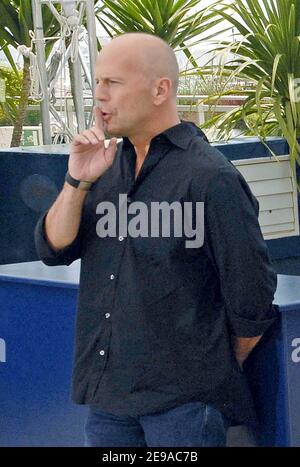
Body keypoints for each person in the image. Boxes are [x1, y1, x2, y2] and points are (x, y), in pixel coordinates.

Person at [35, 33, 278, 447]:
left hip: (184, 407)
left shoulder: (210, 177)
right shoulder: (104, 167)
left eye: (113, 83)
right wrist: (77, 179)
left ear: (160, 89)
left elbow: (252, 296)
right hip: (109, 401)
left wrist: (201, 373)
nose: (99, 97)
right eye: (97, 83)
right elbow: (53, 249)